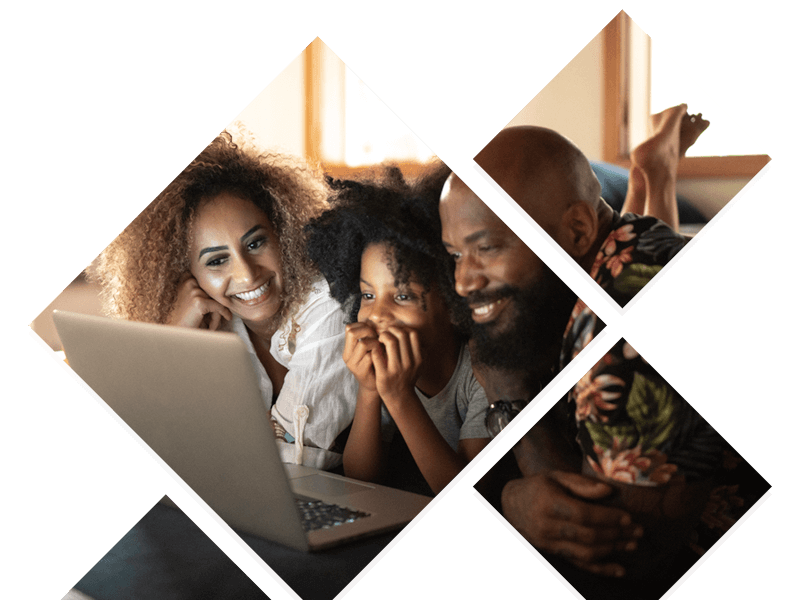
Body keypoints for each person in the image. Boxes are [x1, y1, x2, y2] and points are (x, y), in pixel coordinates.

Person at [439, 110, 764, 599]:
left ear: (576, 229)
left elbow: (626, 561)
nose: (464, 281)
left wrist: (509, 396)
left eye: (486, 247)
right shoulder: (636, 239)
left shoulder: (622, 349)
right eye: (455, 254)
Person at [89, 131, 358, 470]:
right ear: (187, 275)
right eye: (216, 261)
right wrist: (174, 338)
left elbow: (293, 462)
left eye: (256, 243)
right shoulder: (214, 322)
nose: (246, 275)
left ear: (283, 233)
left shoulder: (328, 306)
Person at [305, 163, 491, 496]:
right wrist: (370, 390)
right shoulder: (382, 371)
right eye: (368, 294)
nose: (377, 314)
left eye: (402, 296)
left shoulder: (481, 374)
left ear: (452, 302)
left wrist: (400, 397)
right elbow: (361, 481)